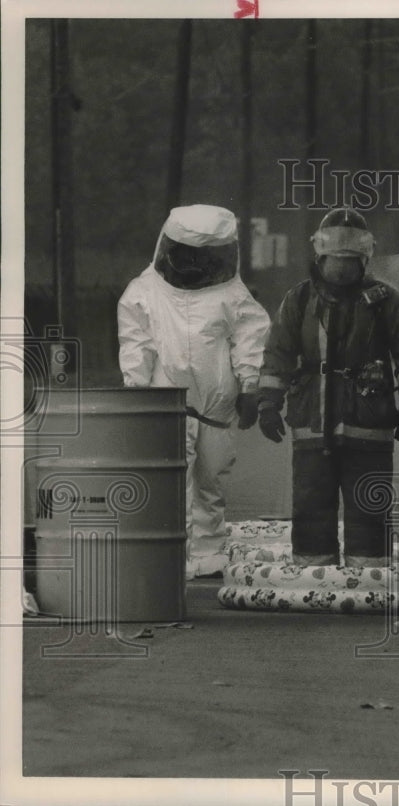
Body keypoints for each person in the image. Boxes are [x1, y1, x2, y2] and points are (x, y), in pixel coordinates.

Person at [257, 207, 399, 567]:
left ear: (365, 259)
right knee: (311, 503)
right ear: (320, 256)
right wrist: (267, 403)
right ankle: (312, 572)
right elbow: (278, 354)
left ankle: (370, 574)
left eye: (349, 261)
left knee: (369, 503)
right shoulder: (299, 300)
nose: (341, 269)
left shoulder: (385, 301)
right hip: (313, 422)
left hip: (369, 422)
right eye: (335, 261)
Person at [117, 204, 270, 577]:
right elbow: (136, 344)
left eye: (204, 256)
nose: (194, 264)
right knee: (175, 480)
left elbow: (249, 337)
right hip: (166, 401)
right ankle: (174, 555)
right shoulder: (144, 292)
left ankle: (209, 555)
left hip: (216, 405)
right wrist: (136, 394)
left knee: (211, 478)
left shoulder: (231, 294)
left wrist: (250, 386)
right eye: (187, 254)